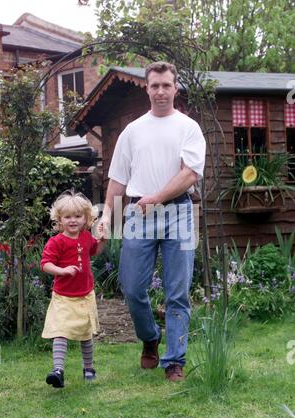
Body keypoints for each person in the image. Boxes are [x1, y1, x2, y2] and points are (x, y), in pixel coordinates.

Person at [99, 61, 206, 382]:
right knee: (131, 287)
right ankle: (150, 338)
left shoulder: (189, 127)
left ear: (175, 89)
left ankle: (175, 361)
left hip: (180, 213)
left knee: (178, 292)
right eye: (154, 85)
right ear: (147, 88)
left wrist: (157, 197)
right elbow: (117, 181)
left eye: (166, 85)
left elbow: (189, 174)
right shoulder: (132, 131)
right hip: (137, 214)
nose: (160, 91)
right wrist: (106, 218)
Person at [40, 190, 106, 388]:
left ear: (86, 218)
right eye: (67, 217)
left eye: (78, 216)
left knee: (85, 334)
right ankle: (58, 371)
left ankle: (88, 368)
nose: (73, 220)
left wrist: (102, 240)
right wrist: (62, 270)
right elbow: (45, 264)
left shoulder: (86, 237)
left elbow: (95, 251)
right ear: (59, 220)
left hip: (85, 295)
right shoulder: (56, 241)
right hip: (63, 297)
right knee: (60, 331)